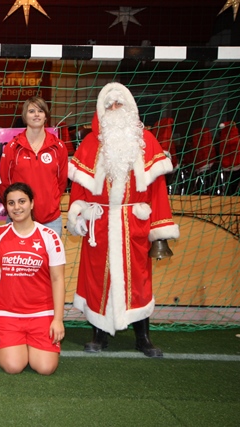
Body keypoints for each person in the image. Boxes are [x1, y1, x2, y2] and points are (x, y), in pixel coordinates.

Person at [67, 82, 179, 357]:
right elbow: (79, 187)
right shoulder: (90, 143)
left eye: (119, 104)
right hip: (100, 222)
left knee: (138, 279)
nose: (115, 109)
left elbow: (158, 191)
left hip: (134, 223)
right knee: (97, 277)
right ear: (101, 110)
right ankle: (99, 334)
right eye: (110, 105)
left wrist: (160, 230)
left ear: (130, 107)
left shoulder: (146, 141)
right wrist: (79, 213)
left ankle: (143, 337)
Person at [0, 183, 65, 375]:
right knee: (13, 366)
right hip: (7, 313)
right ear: (6, 207)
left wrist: (57, 319)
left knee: (46, 368)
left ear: (32, 203)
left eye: (22, 201)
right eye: (11, 203)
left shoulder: (49, 237)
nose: (17, 207)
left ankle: (31, 343)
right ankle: (14, 343)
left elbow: (57, 279)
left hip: (41, 313)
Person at [0, 96, 68, 236]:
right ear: (25, 116)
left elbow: (61, 182)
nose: (36, 114)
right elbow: (4, 183)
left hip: (50, 220)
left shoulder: (58, 146)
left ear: (45, 116)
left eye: (40, 111)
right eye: (31, 111)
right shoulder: (13, 147)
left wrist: (50, 203)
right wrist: (16, 209)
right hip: (19, 219)